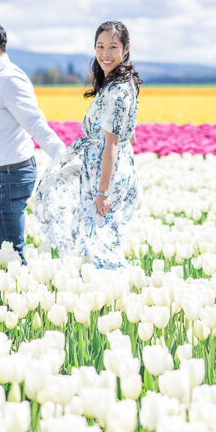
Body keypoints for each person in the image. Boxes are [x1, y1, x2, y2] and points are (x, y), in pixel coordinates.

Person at [35, 21, 141, 269]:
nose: (105, 54)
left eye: (113, 47)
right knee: (102, 239)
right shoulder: (119, 84)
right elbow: (130, 135)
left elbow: (111, 144)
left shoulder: (117, 90)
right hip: (109, 169)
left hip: (105, 176)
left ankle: (111, 292)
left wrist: (103, 192)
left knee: (100, 244)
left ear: (126, 49)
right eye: (100, 46)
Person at [0, 17, 66, 263]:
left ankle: (18, 298)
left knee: (9, 256)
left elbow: (35, 122)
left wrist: (64, 159)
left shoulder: (9, 79)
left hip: (6, 178)